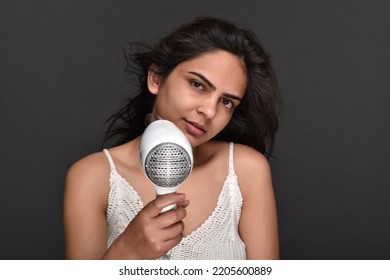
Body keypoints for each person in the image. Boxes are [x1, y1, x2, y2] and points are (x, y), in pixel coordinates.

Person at [63, 16, 280, 260]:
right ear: (156, 77)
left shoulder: (246, 170)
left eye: (226, 101)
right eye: (198, 85)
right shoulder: (92, 177)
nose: (209, 111)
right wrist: (127, 252)